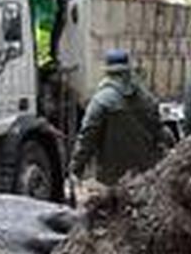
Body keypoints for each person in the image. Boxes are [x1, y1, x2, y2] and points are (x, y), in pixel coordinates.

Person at [70, 50, 173, 186]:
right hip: (145, 175)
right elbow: (161, 131)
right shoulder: (147, 98)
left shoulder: (101, 100)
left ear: (107, 72)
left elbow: (87, 138)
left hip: (112, 178)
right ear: (128, 69)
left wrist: (75, 169)